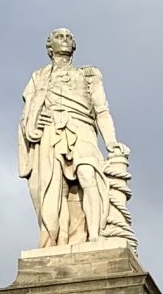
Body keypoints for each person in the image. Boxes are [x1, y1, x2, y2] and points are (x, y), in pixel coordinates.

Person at [18, 28, 128, 247]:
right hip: (51, 132)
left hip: (82, 128)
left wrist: (111, 142)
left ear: (74, 45)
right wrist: (31, 126)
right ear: (50, 47)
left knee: (88, 176)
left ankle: (95, 236)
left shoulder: (89, 74)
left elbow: (101, 111)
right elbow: (27, 114)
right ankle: (59, 240)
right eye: (59, 37)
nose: (65, 40)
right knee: (56, 190)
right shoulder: (38, 77)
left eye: (69, 37)